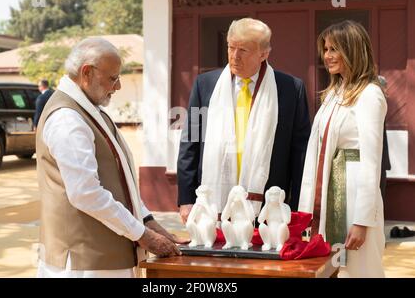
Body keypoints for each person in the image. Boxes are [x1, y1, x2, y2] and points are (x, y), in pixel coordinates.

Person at [36, 37, 184, 278]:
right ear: (87, 73)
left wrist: (146, 220)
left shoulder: (91, 111)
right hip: (85, 263)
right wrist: (143, 235)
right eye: (112, 78)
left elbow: (118, 178)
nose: (118, 87)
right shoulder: (67, 119)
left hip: (104, 259)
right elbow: (86, 193)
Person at [177, 18, 311, 224]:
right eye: (231, 47)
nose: (234, 56)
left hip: (269, 204)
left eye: (243, 50)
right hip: (212, 202)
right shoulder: (205, 85)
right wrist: (186, 199)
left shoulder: (290, 89)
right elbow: (190, 143)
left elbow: (300, 152)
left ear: (264, 53)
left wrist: (297, 208)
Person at [298, 20, 387, 277]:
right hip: (327, 194)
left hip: (353, 197)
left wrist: (362, 221)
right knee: (328, 270)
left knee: (357, 270)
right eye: (325, 49)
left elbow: (372, 162)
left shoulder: (370, 94)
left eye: (335, 49)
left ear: (353, 50)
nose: (327, 56)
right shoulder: (334, 94)